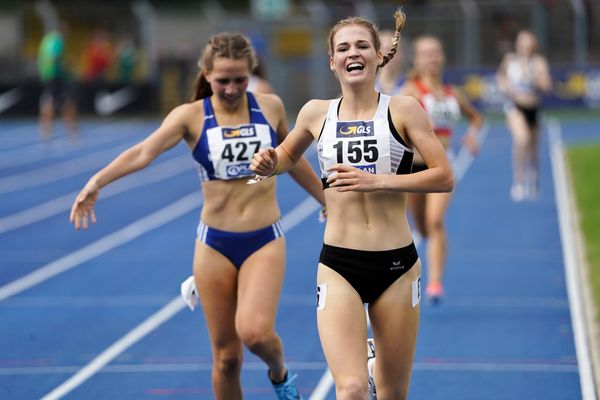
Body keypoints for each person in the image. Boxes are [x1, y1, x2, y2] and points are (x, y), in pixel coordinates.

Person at [70, 32, 325, 400]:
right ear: (206, 74)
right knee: (226, 359)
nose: (233, 88)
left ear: (251, 73)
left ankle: (279, 373)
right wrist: (97, 182)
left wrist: (326, 199)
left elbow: (293, 158)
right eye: (223, 80)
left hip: (264, 239)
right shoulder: (190, 116)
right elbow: (143, 152)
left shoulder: (270, 107)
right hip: (215, 244)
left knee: (254, 333)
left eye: (240, 79)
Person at [251, 10, 454, 400]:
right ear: (332, 61)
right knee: (351, 389)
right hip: (339, 264)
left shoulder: (404, 109)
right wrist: (268, 162)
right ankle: (366, 369)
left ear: (378, 55)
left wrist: (378, 180)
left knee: (393, 392)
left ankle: (378, 363)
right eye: (343, 48)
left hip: (396, 265)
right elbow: (286, 157)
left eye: (362, 45)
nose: (352, 53)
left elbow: (444, 175)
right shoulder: (315, 112)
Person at [400, 35, 483, 305]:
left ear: (442, 57)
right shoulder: (410, 91)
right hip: (412, 169)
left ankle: (435, 282)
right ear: (417, 60)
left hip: (440, 167)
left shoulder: (451, 93)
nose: (432, 58)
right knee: (421, 226)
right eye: (426, 54)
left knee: (435, 221)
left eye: (436, 52)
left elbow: (476, 118)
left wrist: (471, 135)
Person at [496, 30, 552, 202]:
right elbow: (501, 76)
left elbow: (546, 86)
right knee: (522, 139)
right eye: (523, 42)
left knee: (533, 147)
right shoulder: (510, 59)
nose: (526, 45)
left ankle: (533, 178)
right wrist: (505, 87)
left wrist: (534, 76)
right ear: (518, 44)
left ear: (533, 45)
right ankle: (518, 181)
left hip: (533, 108)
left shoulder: (539, 62)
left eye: (529, 42)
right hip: (515, 107)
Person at [37, 21, 78, 139]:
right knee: (66, 101)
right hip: (56, 75)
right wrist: (67, 67)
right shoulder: (57, 40)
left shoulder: (46, 39)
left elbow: (41, 58)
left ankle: (45, 129)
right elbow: (55, 56)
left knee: (48, 99)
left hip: (47, 75)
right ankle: (70, 129)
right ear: (62, 30)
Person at [374, 29, 407, 96]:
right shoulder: (366, 86)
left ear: (402, 54)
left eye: (394, 51)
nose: (389, 55)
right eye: (384, 50)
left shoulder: (412, 86)